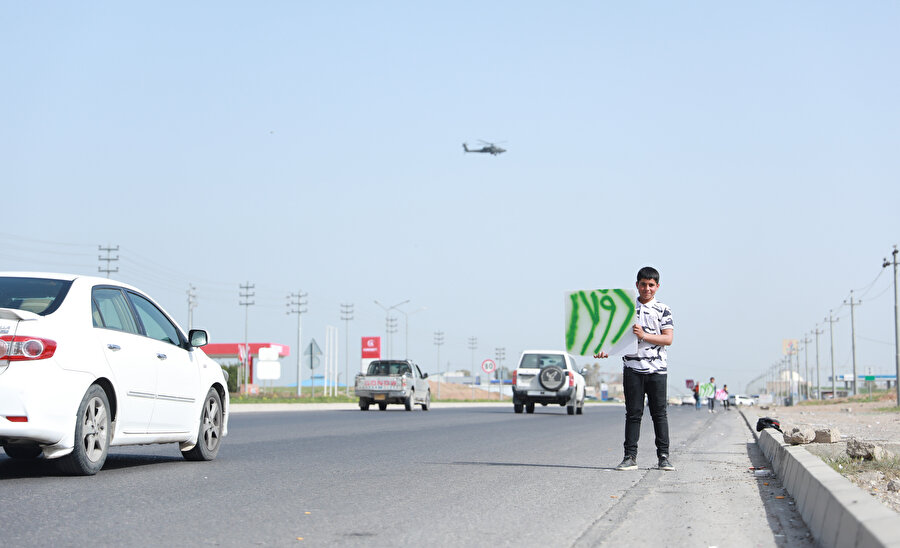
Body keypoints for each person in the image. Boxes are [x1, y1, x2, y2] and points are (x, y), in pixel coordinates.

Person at [594, 266, 675, 471]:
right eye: (643, 284)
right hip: (632, 368)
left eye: (651, 285)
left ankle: (663, 457)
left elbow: (668, 339)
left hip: (657, 370)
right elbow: (613, 337)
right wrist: (604, 351)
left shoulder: (663, 310)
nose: (647, 288)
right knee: (633, 414)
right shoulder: (625, 310)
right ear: (636, 285)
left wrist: (644, 336)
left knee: (659, 414)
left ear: (657, 287)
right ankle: (630, 457)